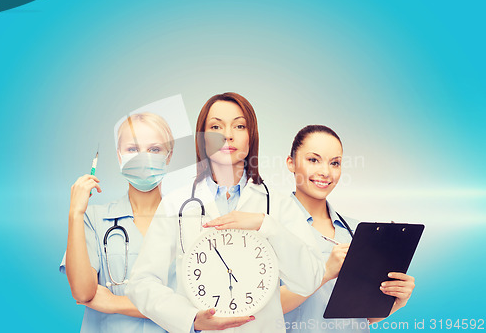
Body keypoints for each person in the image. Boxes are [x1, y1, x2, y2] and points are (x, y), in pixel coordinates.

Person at [126, 92, 325, 333]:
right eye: (216, 126)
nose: (228, 135)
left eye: (239, 126)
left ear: (251, 137)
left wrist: (266, 224)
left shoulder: (278, 205)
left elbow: (310, 279)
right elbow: (141, 282)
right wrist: (190, 319)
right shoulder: (176, 204)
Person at [280, 125, 416, 332]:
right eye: (313, 160)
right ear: (291, 163)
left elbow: (363, 317)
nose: (325, 172)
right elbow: (264, 307)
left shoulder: (357, 231)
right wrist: (324, 273)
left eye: (335, 163)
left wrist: (395, 301)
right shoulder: (271, 227)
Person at [60, 112, 176, 332]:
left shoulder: (186, 221)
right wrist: (75, 212)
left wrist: (113, 302)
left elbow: (192, 308)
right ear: (119, 156)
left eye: (154, 149)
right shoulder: (94, 219)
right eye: (133, 149)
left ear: (169, 156)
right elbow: (83, 292)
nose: (144, 158)